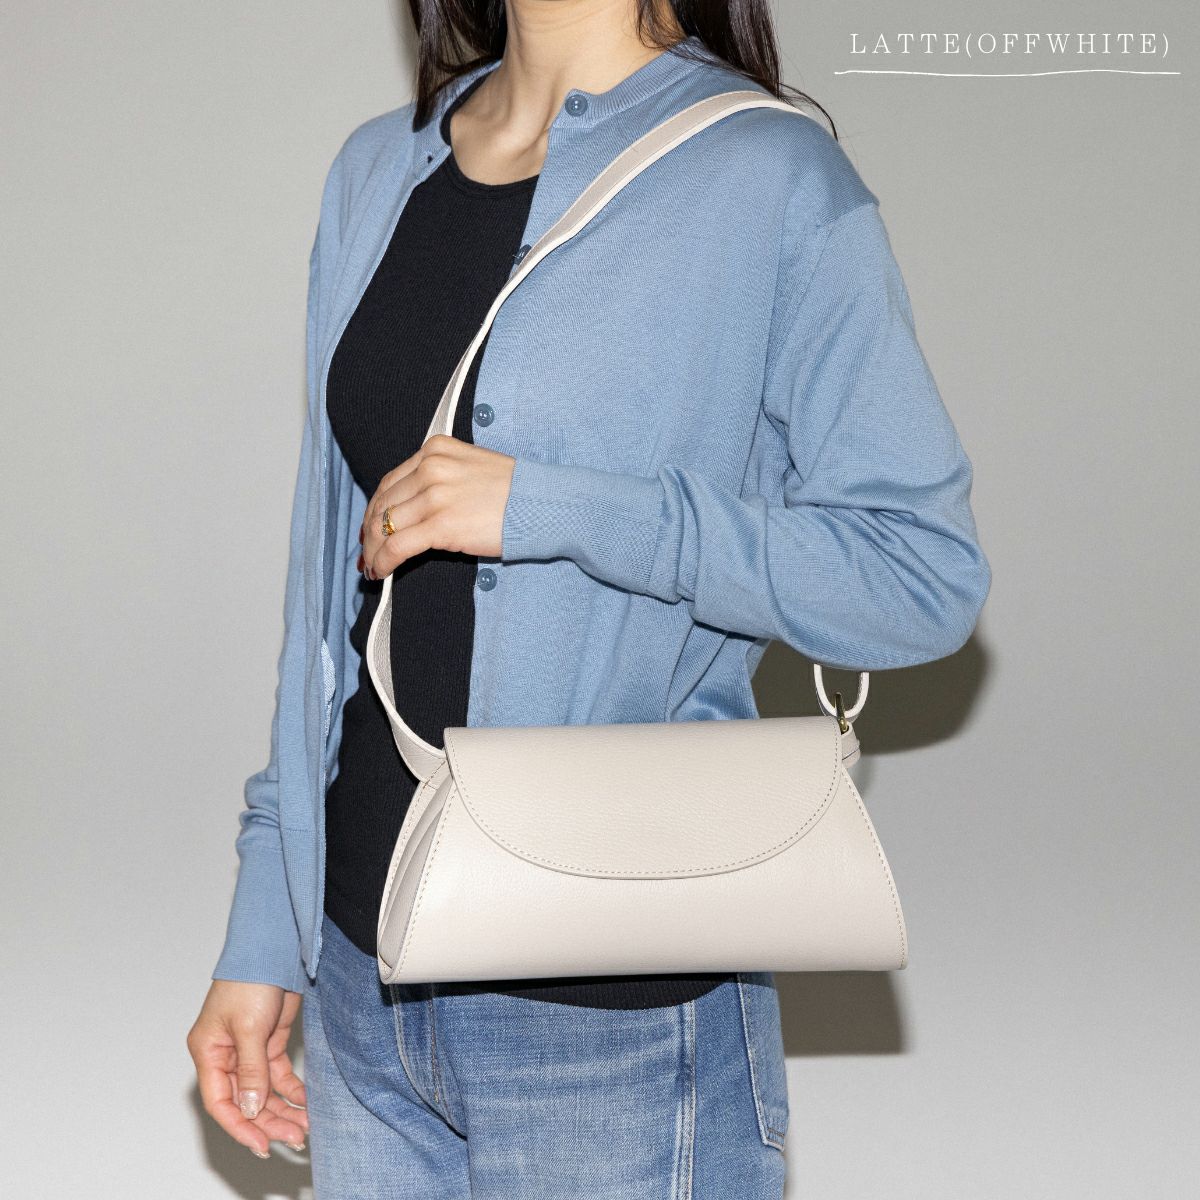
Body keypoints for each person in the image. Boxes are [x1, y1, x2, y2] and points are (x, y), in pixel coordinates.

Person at [187, 1, 992, 1196]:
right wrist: (268, 927)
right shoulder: (376, 169)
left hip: (613, 1008)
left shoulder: (769, 177)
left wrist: (556, 507)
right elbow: (325, 607)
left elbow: (918, 576)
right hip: (361, 975)